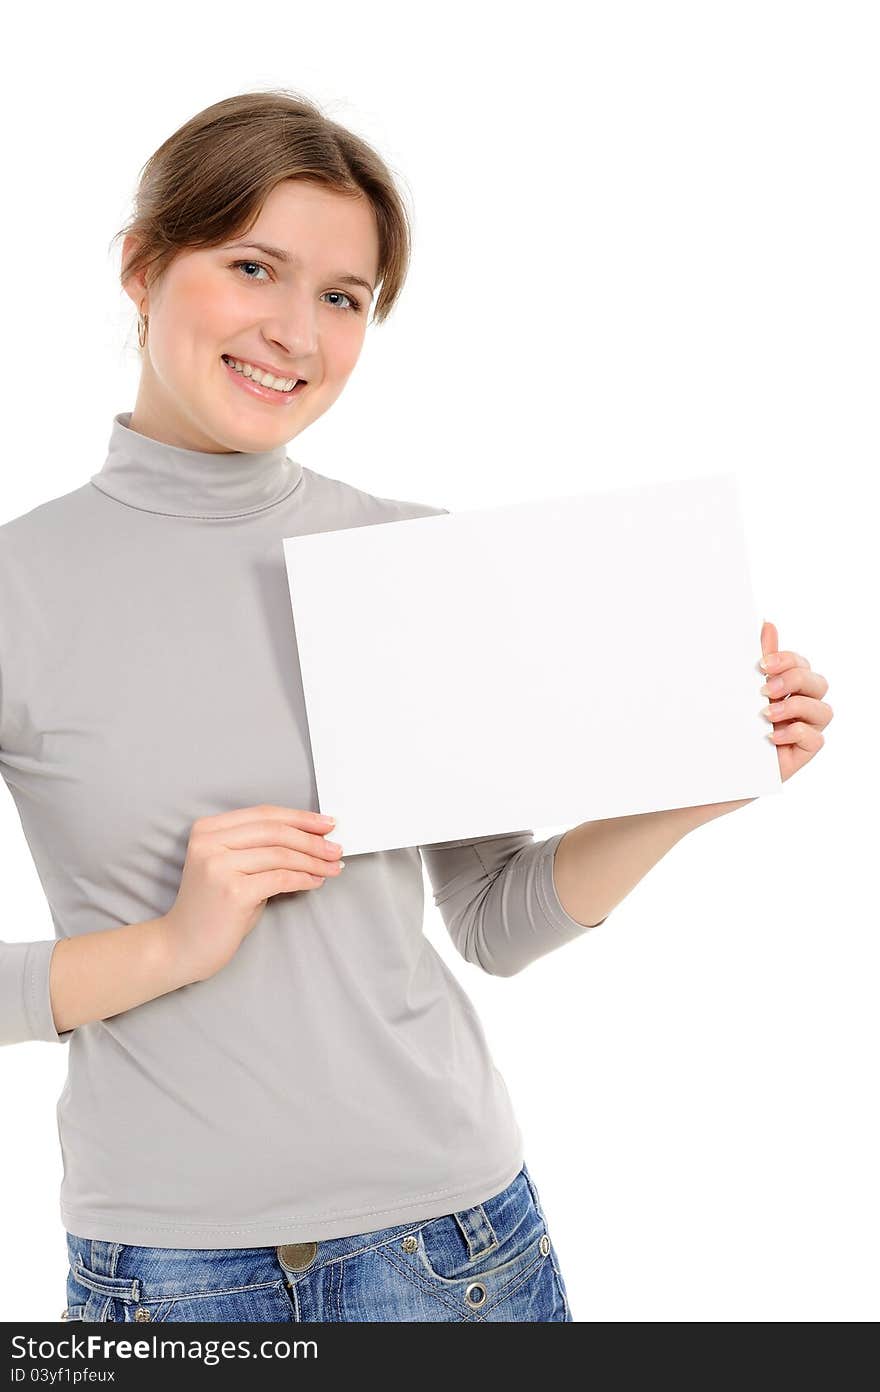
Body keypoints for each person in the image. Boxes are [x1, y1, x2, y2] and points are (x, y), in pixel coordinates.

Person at [0, 90, 833, 1326]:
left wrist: (708, 777)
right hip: (168, 1279)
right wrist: (170, 946)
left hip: (459, 1251)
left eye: (343, 296)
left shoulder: (409, 561)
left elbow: (495, 922)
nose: (295, 332)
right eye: (252, 268)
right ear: (140, 266)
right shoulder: (22, 590)